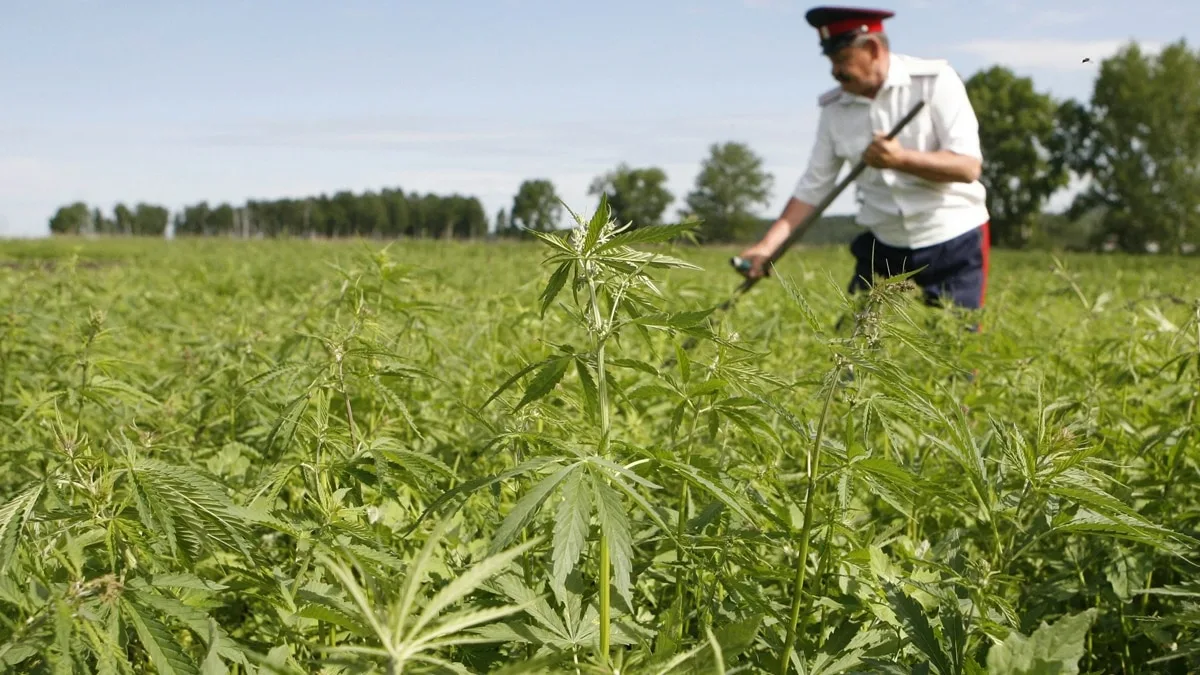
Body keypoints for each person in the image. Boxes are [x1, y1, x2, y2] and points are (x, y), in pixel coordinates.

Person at [736, 6, 992, 315]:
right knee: (854, 353)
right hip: (884, 245)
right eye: (831, 61)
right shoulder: (835, 110)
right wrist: (768, 246)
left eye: (842, 60)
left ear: (872, 49)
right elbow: (813, 188)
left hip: (954, 240)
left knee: (956, 350)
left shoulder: (934, 83)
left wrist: (900, 159)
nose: (835, 71)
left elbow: (967, 167)